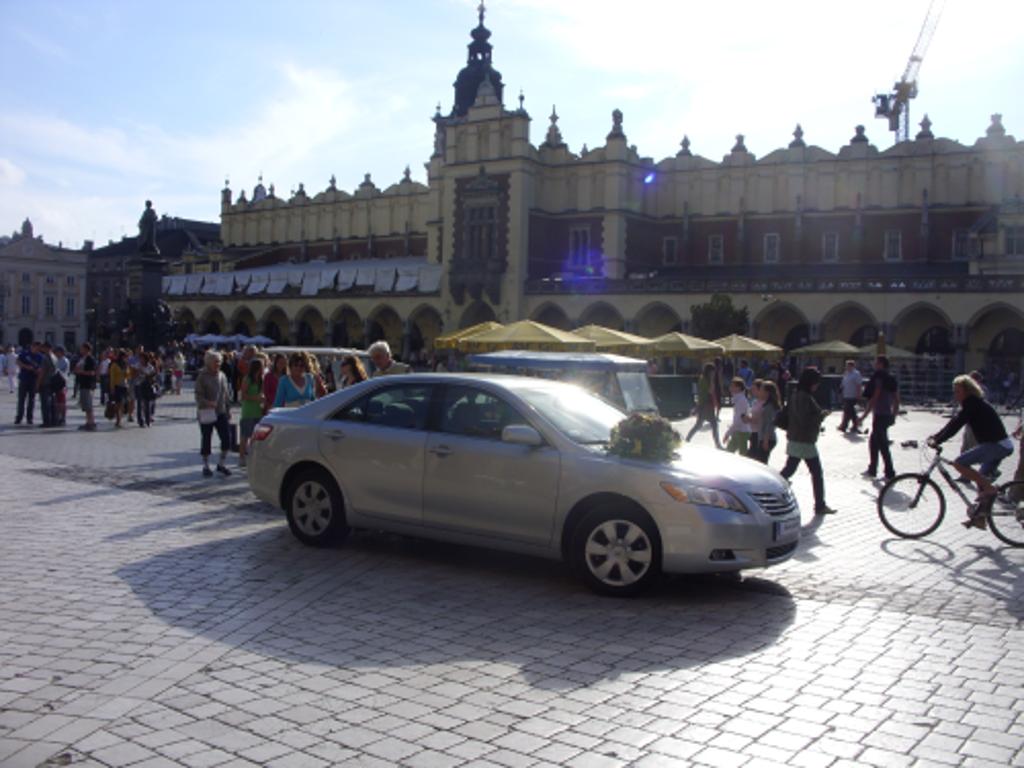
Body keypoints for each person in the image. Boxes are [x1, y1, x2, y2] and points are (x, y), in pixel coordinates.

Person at [928, 374, 1015, 528]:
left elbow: (957, 424)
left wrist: (938, 440)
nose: (955, 395)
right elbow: (954, 421)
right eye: (954, 391)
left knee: (959, 463)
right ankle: (980, 518)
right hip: (999, 445)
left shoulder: (972, 403)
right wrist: (936, 436)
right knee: (981, 482)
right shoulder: (972, 404)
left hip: (997, 445)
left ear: (968, 391)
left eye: (958, 391)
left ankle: (990, 489)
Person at [780, 367, 835, 515]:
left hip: (794, 438)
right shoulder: (805, 397)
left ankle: (773, 486)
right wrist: (821, 415)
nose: (817, 386)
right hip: (804, 440)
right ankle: (820, 505)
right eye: (816, 382)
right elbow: (806, 418)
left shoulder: (795, 394)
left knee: (789, 469)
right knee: (816, 473)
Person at [859, 355, 899, 480]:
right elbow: (897, 399)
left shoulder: (879, 378)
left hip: (880, 415)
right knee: (874, 442)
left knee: (882, 445)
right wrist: (894, 415)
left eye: (876, 363)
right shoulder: (892, 378)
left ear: (881, 364)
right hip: (887, 415)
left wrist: (863, 416)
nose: (874, 365)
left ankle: (889, 472)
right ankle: (872, 469)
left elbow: (874, 397)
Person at [195, 350, 233, 477]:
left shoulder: (222, 375)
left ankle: (221, 464)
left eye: (220, 361)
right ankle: (205, 465)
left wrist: (228, 410)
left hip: (221, 412)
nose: (218, 364)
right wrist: (207, 402)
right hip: (207, 412)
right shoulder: (202, 376)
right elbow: (198, 396)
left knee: (227, 439)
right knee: (206, 439)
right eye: (216, 361)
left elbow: (226, 394)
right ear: (209, 362)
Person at [686, 362, 722, 449]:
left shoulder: (703, 379)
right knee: (713, 424)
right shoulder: (705, 380)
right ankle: (717, 444)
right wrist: (712, 380)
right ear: (709, 372)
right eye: (712, 372)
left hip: (704, 405)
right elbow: (709, 391)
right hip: (706, 405)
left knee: (699, 425)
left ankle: (687, 439)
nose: (713, 374)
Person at [238, 358, 265, 468]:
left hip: (258, 411)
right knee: (245, 436)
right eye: (262, 366)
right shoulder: (247, 379)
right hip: (248, 411)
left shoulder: (261, 379)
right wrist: (256, 398)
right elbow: (243, 396)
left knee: (256, 436)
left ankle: (254, 456)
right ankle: (241, 457)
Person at [751, 380, 781, 464]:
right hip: (763, 437)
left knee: (761, 462)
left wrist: (765, 439)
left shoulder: (769, 407)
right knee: (761, 461)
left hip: (767, 438)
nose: (759, 392)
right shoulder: (766, 405)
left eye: (761, 390)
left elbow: (770, 424)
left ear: (767, 392)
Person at [723, 378, 751, 455]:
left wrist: (728, 433)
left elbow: (738, 420)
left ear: (738, 388)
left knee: (743, 456)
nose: (730, 388)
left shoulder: (741, 400)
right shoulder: (738, 399)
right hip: (738, 431)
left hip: (742, 432)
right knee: (729, 453)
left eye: (732, 386)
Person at [75, 342, 98, 431]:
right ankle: (88, 422)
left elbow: (92, 372)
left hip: (88, 384)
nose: (80, 350)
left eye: (82, 348)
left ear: (86, 349)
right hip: (83, 384)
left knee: (89, 405)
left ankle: (91, 422)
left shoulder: (90, 359)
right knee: (85, 405)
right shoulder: (82, 358)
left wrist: (81, 372)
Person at [837, 359, 863, 433]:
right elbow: (843, 383)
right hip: (846, 394)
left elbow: (859, 385)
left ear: (852, 366)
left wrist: (859, 394)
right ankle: (851, 425)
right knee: (848, 411)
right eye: (846, 366)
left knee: (850, 410)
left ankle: (846, 425)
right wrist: (840, 391)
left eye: (848, 366)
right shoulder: (846, 373)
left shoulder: (856, 374)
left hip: (853, 395)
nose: (847, 367)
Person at [37, 341, 58, 428]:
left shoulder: (45, 358)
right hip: (52, 382)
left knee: (45, 403)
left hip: (45, 382)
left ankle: (46, 421)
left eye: (43, 347)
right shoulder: (54, 357)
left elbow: (42, 372)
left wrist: (38, 384)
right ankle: (54, 420)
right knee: (52, 402)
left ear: (46, 348)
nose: (41, 349)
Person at [108, 350, 128, 428]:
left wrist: (127, 373)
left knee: (123, 403)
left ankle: (120, 418)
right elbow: (112, 377)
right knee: (118, 403)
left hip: (125, 385)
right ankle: (118, 420)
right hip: (117, 385)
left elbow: (128, 375)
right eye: (124, 357)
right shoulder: (114, 365)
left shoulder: (125, 364)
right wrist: (112, 387)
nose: (125, 358)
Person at [53, 346, 70, 426]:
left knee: (62, 402)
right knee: (57, 401)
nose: (55, 353)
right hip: (56, 382)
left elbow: (59, 370)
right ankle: (57, 417)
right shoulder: (56, 360)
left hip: (62, 382)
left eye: (57, 352)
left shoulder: (64, 360)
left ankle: (62, 417)